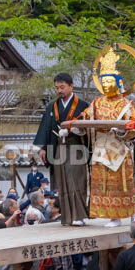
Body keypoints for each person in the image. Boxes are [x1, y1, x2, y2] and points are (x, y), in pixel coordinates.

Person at [76, 46, 135, 227]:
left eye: (109, 82)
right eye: (103, 82)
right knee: (104, 184)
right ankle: (113, 216)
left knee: (123, 182)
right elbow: (86, 116)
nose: (105, 85)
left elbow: (134, 124)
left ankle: (132, 212)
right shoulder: (97, 102)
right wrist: (81, 125)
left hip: (118, 145)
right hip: (101, 145)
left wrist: (123, 130)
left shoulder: (126, 103)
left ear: (118, 82)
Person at [33, 73, 91, 226]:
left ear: (71, 86)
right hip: (58, 146)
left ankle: (79, 215)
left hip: (76, 146)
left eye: (62, 87)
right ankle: (67, 216)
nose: (59, 91)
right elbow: (46, 128)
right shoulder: (52, 106)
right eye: (57, 88)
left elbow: (89, 127)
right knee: (62, 181)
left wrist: (74, 130)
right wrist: (43, 148)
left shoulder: (83, 105)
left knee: (76, 180)